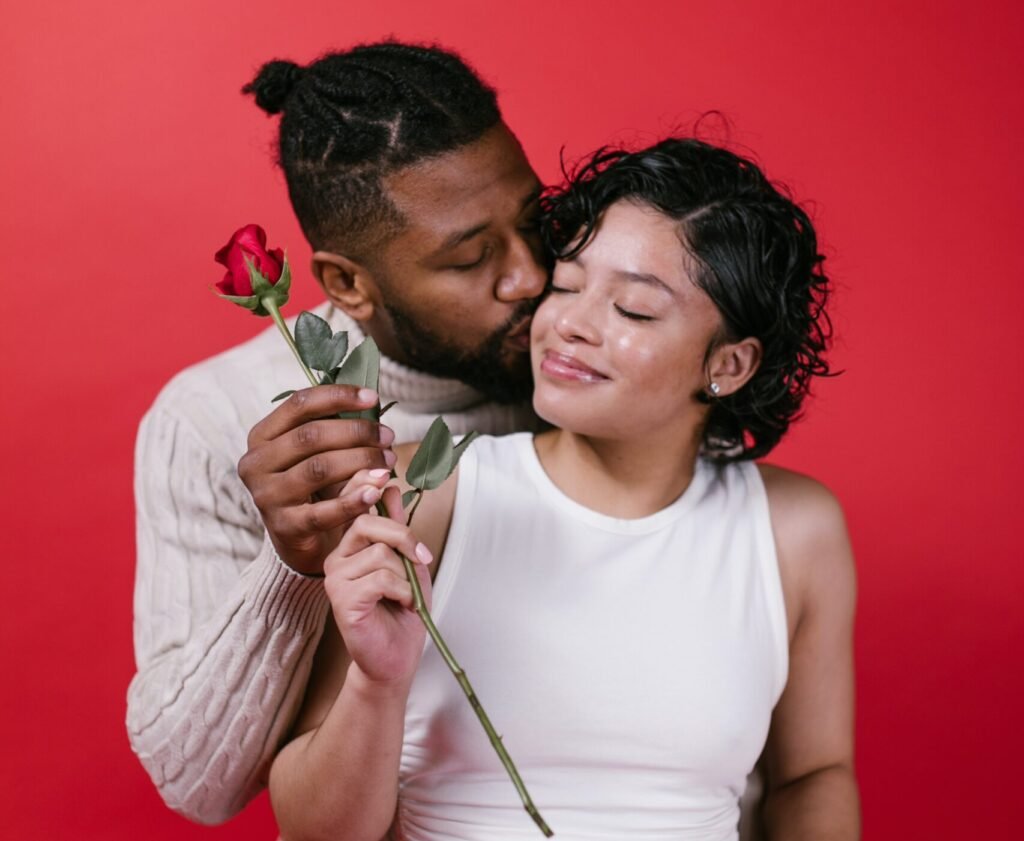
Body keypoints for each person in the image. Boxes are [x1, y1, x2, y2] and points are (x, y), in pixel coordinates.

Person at [268, 139, 860, 840]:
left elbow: (812, 774)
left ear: (729, 364)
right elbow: (311, 831)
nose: (568, 324)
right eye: (568, 285)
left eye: (633, 309)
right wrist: (378, 682)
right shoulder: (421, 494)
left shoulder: (794, 529)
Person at [126, 42, 547, 824]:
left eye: (535, 221)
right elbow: (196, 788)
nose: (530, 276)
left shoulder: (584, 361)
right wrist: (291, 566)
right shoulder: (213, 417)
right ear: (348, 283)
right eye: (470, 257)